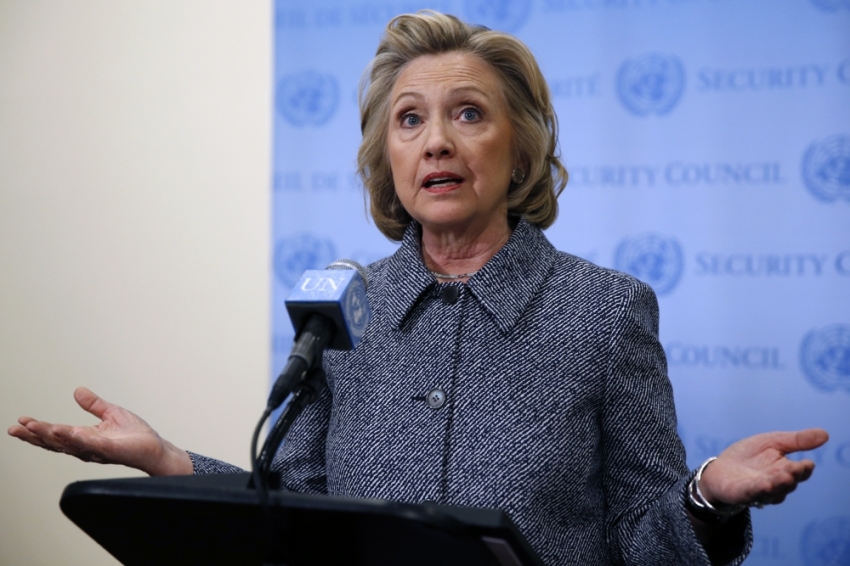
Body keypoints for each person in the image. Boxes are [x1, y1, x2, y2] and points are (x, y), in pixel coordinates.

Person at [8, 11, 828, 566]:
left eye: (469, 113)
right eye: (409, 119)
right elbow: (295, 506)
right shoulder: (341, 309)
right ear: (387, 160)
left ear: (520, 150)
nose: (436, 139)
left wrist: (705, 496)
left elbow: (641, 541)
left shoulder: (607, 312)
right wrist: (168, 461)